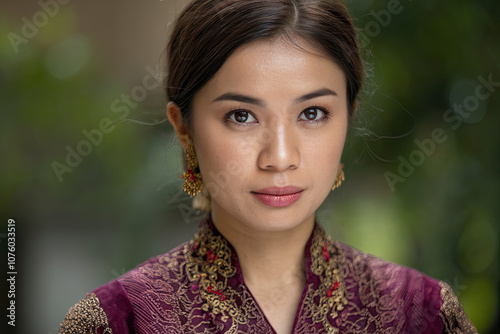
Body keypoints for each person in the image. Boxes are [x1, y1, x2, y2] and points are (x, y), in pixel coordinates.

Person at [58, 0, 477, 333]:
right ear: (183, 127)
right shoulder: (116, 322)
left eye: (312, 113)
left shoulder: (422, 315)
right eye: (241, 116)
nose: (279, 157)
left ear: (348, 116)